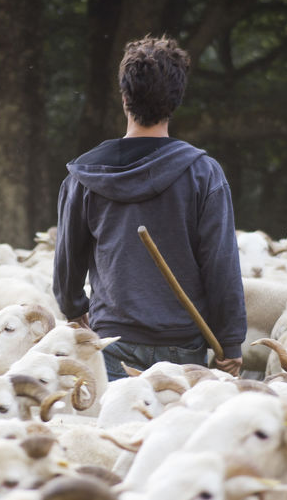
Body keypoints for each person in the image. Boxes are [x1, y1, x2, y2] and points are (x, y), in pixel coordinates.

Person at [52, 36, 246, 380]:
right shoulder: (203, 173)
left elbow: (67, 261)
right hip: (181, 347)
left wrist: (73, 308)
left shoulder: (84, 177)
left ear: (125, 97)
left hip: (111, 342)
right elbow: (221, 264)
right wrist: (229, 341)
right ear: (176, 100)